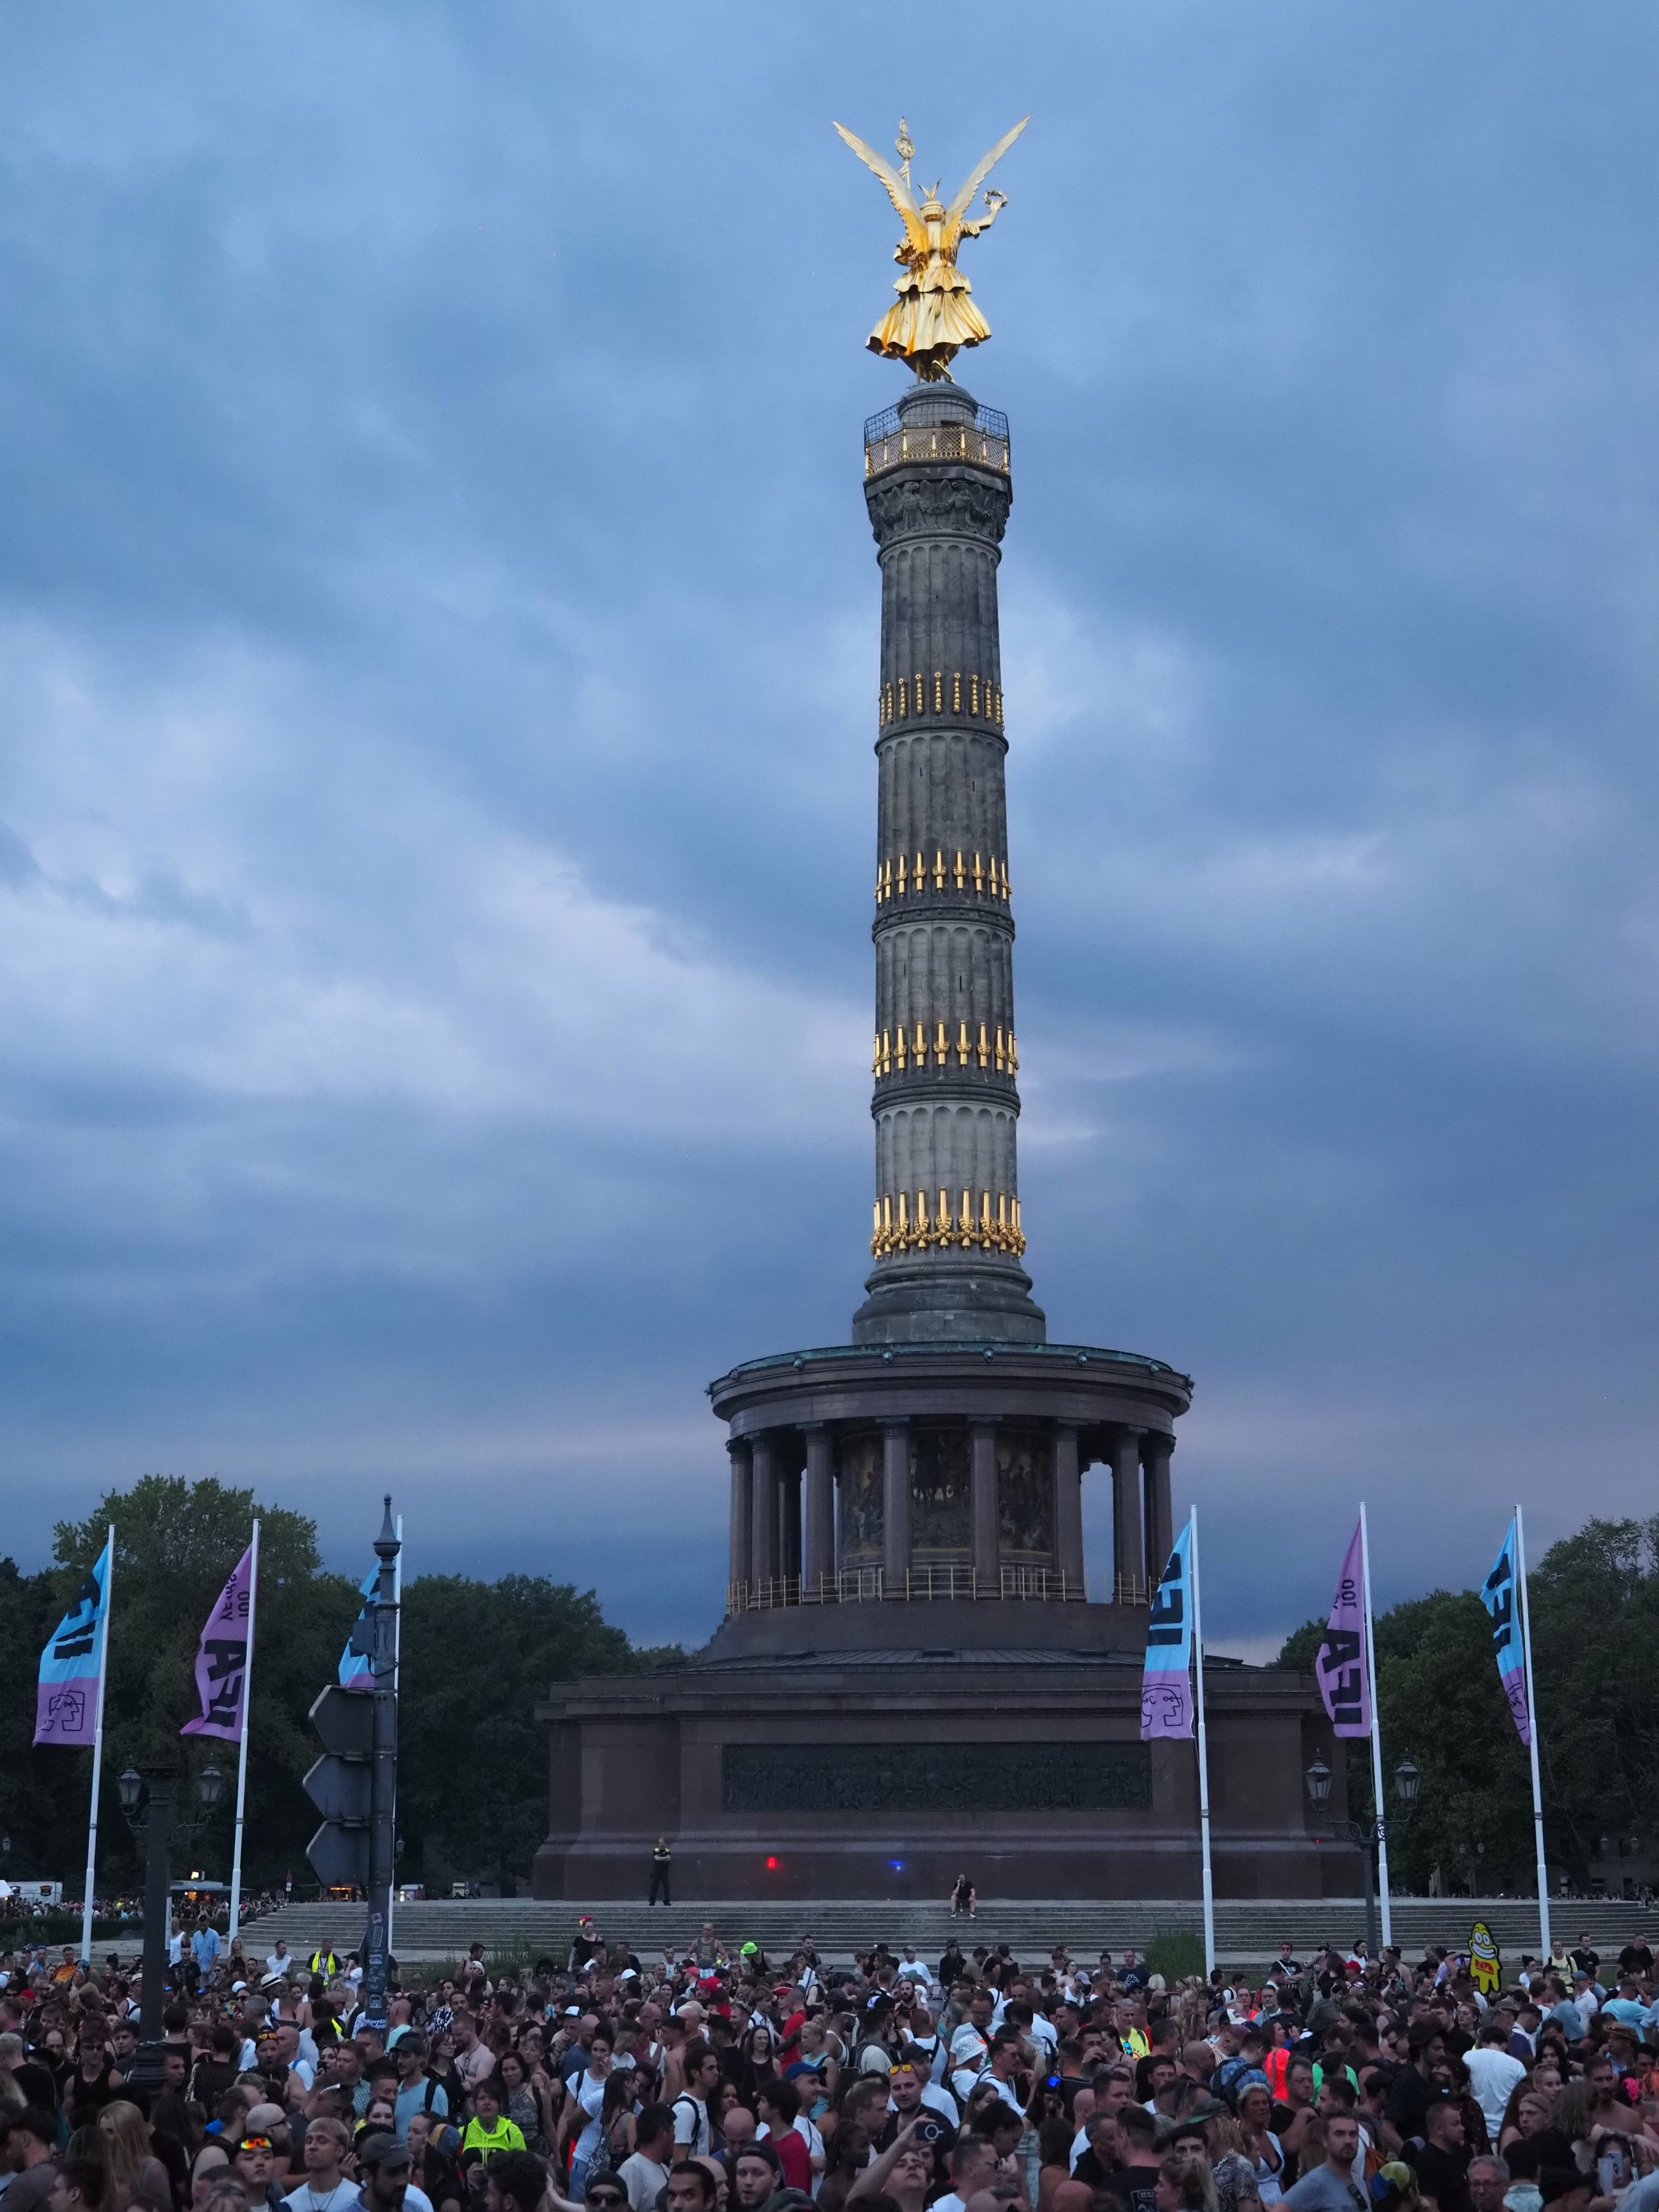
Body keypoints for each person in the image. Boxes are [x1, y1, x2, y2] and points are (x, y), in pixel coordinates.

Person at [1282, 2113, 1367, 2212]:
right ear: (1325, 2140)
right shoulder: (1314, 2183)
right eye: (1339, 2134)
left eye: (1352, 2134)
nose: (1348, 2141)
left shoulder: (1359, 2182)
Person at [281, 2119, 357, 2212]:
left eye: (322, 2141)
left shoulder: (356, 2200)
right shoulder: (289, 2204)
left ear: (339, 2151)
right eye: (309, 2141)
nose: (312, 2147)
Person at [618, 2105, 676, 2212]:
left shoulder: (664, 2169)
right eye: (673, 2130)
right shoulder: (632, 2170)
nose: (674, 2137)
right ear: (662, 2133)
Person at [0, 2110, 58, 2212]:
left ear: (25, 2139)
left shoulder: (25, 2184)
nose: (8, 2153)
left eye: (10, 2144)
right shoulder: (63, 2172)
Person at [650, 1846, 673, 1910]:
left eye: (662, 1843)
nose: (661, 1844)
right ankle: (652, 1901)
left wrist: (661, 1858)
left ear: (665, 1844)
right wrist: (665, 1858)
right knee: (654, 1886)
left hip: (664, 1871)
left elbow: (669, 1858)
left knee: (666, 1886)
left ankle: (667, 1901)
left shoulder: (667, 1851)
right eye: (660, 1843)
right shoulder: (656, 1850)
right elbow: (657, 1859)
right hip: (657, 1871)